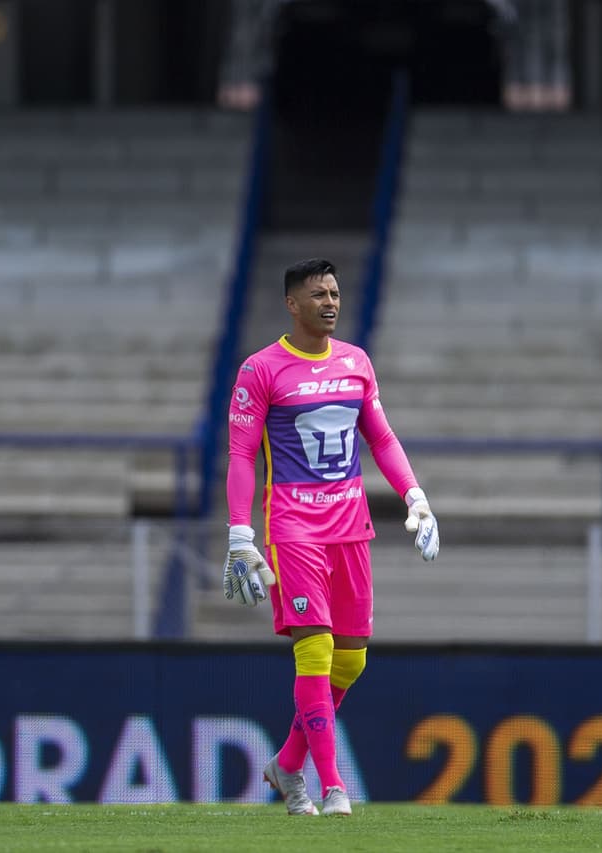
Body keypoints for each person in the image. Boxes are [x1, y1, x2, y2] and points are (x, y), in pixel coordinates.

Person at [221, 258, 439, 817]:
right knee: (314, 648)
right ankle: (332, 786)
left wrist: (416, 496)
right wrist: (240, 534)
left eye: (336, 292)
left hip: (350, 525)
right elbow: (242, 455)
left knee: (352, 661)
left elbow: (382, 439)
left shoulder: (356, 363)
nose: (330, 302)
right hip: (292, 526)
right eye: (318, 293)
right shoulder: (260, 370)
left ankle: (286, 765)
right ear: (292, 304)